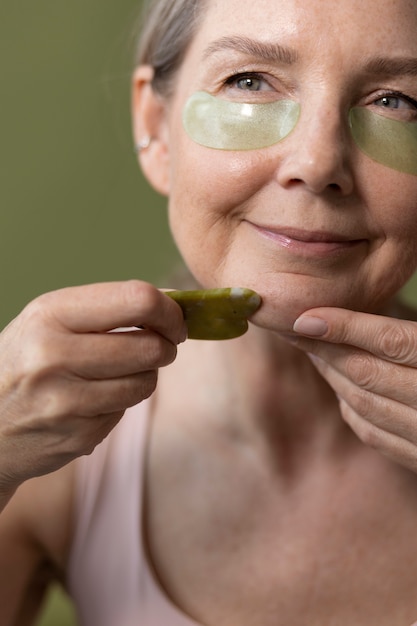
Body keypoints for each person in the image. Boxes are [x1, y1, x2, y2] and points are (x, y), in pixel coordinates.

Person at [2, 0, 417, 623]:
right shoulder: (54, 457)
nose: (317, 163)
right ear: (157, 127)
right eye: (249, 81)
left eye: (396, 101)